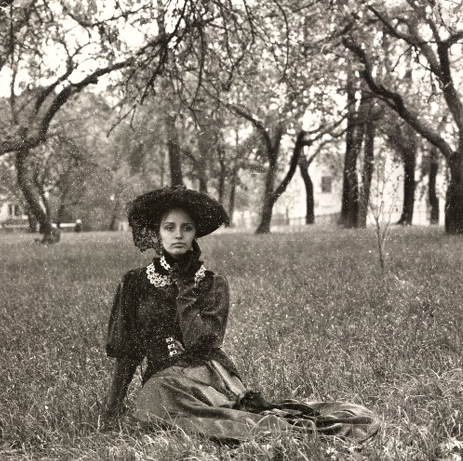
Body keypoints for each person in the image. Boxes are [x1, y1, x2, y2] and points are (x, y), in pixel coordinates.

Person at [102, 185, 379, 442]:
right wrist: (111, 410)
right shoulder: (135, 282)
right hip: (162, 379)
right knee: (154, 397)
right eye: (170, 227)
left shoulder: (212, 283)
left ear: (195, 233)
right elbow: (127, 353)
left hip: (205, 372)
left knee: (205, 411)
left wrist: (185, 287)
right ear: (158, 233)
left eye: (186, 228)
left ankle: (265, 428)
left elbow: (202, 342)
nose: (178, 234)